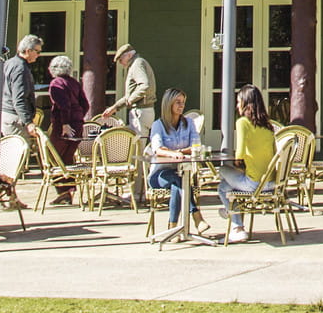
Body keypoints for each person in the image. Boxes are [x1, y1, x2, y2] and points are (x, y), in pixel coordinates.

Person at [215, 86, 276, 244]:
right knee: (227, 186)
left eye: (238, 102)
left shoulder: (243, 122)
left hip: (253, 184)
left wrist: (238, 163)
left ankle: (237, 226)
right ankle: (230, 212)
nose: (237, 105)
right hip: (271, 183)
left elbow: (240, 153)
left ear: (246, 103)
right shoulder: (268, 126)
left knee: (222, 176)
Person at [147, 88, 203, 242]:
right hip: (159, 175)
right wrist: (174, 153)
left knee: (178, 185)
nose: (181, 106)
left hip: (181, 174)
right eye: (177, 102)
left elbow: (196, 145)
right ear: (169, 103)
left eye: (183, 102)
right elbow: (158, 149)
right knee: (177, 181)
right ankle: (196, 215)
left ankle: (173, 228)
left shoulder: (189, 123)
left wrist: (176, 150)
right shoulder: (159, 125)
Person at [0, 34, 44, 138]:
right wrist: (28, 122)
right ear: (28, 51)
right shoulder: (20, 68)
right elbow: (19, 99)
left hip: (7, 115)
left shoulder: (9, 63)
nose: (39, 55)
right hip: (15, 119)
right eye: (37, 51)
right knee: (21, 152)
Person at [106, 43, 157, 129]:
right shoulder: (136, 64)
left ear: (129, 55)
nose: (120, 63)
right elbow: (129, 96)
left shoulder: (137, 64)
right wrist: (115, 107)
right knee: (134, 141)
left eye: (121, 59)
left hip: (141, 111)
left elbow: (145, 86)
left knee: (138, 142)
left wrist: (131, 99)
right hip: (142, 111)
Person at [45, 55, 88, 149]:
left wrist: (65, 124)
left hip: (63, 125)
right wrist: (79, 115)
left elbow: (64, 105)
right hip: (77, 124)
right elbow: (85, 104)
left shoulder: (56, 83)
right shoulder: (74, 82)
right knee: (69, 155)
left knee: (56, 156)